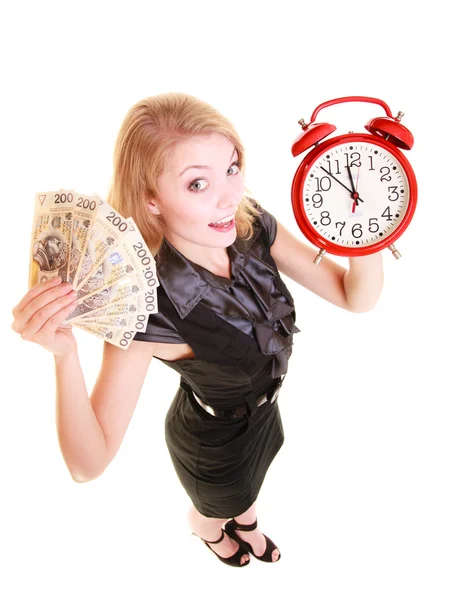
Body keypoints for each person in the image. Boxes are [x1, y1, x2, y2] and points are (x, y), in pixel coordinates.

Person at [11, 92, 384, 568]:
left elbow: (356, 297)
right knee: (222, 498)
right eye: (197, 184)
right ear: (151, 201)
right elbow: (89, 463)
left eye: (232, 167)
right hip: (213, 442)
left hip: (264, 415)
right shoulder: (145, 308)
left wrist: (369, 230)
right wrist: (64, 356)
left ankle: (244, 520)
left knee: (251, 485)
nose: (229, 196)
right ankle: (206, 527)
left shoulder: (247, 223)